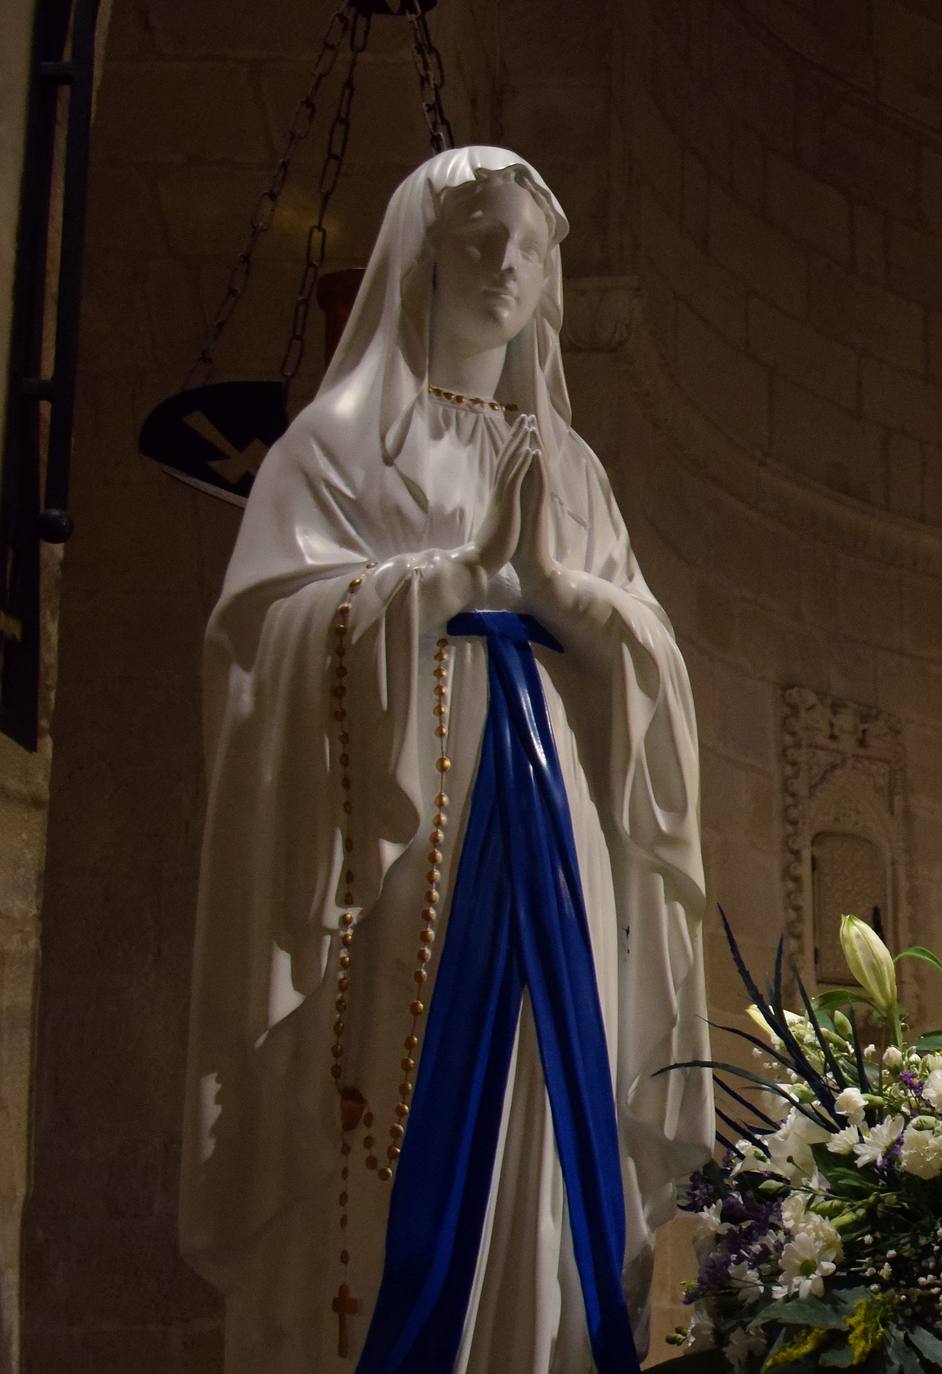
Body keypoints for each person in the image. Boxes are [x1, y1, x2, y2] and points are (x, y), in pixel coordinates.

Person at [182, 147, 709, 1373]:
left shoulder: (573, 468)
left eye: (528, 246)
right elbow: (265, 632)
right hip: (399, 817)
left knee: (546, 1071)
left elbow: (654, 657)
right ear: (421, 253)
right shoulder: (334, 445)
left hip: (556, 807)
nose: (507, 266)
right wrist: (450, 582)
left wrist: (567, 593)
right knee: (394, 1071)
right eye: (479, 238)